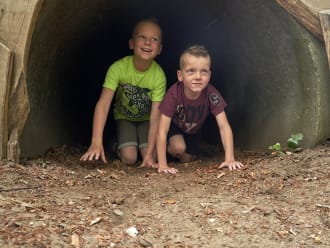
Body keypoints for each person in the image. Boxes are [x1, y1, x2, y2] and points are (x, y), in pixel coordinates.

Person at [80, 18, 166, 167]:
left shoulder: (159, 76)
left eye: (154, 39)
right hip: (124, 117)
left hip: (146, 119)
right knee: (130, 158)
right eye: (142, 37)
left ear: (159, 49)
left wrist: (151, 154)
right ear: (131, 43)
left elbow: (155, 117)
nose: (147, 42)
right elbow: (103, 104)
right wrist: (95, 141)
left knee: (150, 155)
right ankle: (113, 143)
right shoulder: (118, 68)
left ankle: (144, 149)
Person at [157, 45, 244, 174]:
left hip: (194, 131)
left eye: (203, 71)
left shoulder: (211, 94)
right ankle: (163, 152)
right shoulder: (174, 94)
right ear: (180, 75)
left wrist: (230, 159)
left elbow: (224, 126)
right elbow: (162, 130)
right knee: (178, 147)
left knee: (186, 159)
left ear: (209, 75)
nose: (198, 76)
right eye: (191, 71)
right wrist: (163, 165)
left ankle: (189, 151)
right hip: (175, 128)